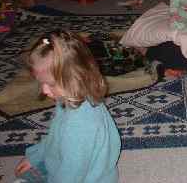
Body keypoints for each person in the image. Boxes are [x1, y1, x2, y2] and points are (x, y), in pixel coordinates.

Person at [14, 30, 121, 183]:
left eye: (50, 84)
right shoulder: (71, 96)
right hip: (64, 166)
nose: (44, 90)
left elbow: (73, 171)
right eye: (41, 82)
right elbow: (55, 137)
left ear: (75, 77)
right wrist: (36, 157)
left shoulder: (79, 123)